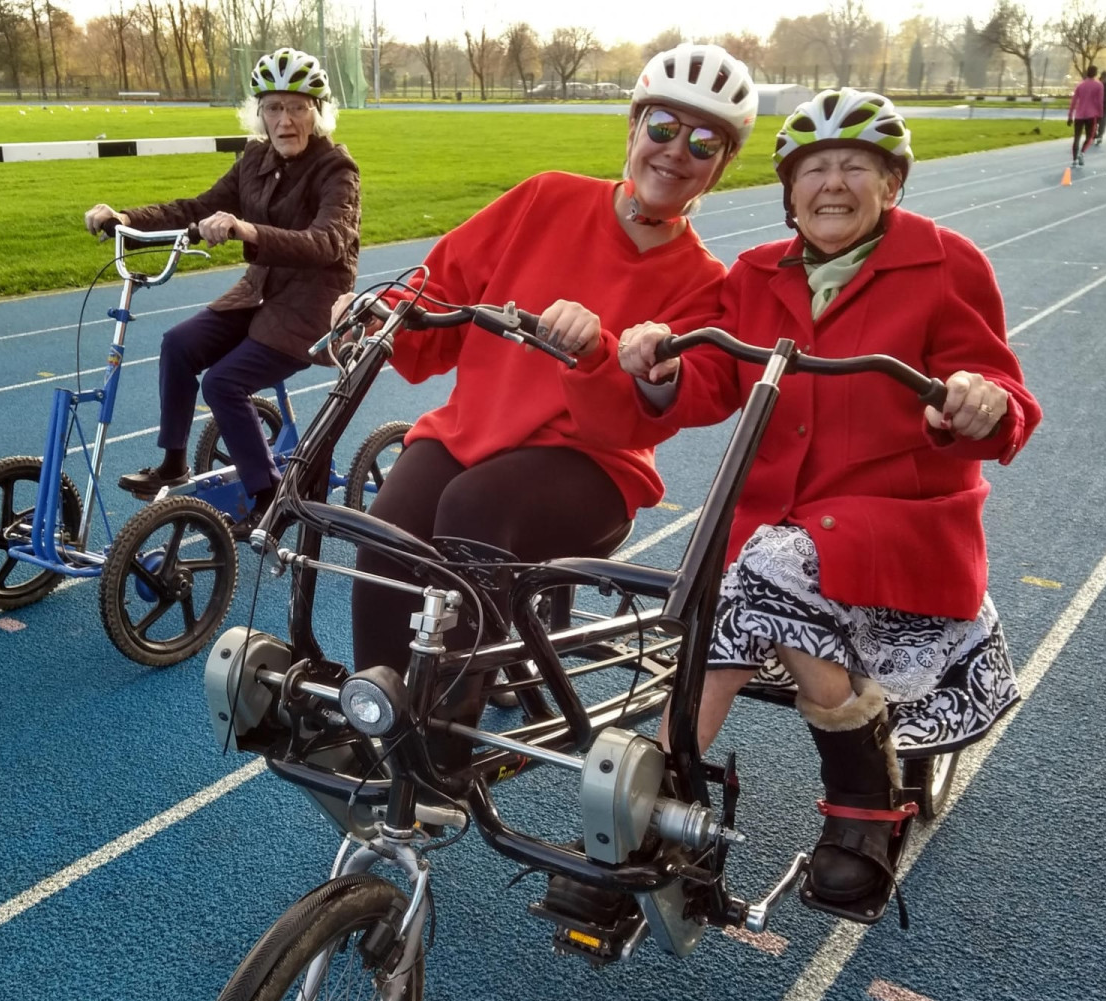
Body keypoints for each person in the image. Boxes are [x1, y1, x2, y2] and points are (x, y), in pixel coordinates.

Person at [578, 88, 1042, 914]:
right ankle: (661, 807)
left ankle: (838, 795)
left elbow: (1002, 395)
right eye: (814, 169)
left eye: (855, 166)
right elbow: (713, 378)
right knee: (743, 583)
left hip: (895, 523)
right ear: (789, 191)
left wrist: (979, 401)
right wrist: (662, 364)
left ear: (891, 184)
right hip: (777, 527)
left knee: (758, 566)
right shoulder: (758, 273)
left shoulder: (946, 262)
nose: (832, 183)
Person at [333, 44, 758, 749]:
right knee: (389, 526)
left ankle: (442, 747)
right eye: (663, 127)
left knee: (473, 509)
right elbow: (440, 291)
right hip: (474, 431)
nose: (676, 151)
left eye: (704, 142)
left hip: (592, 468)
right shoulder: (546, 198)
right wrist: (381, 316)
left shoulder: (703, 281)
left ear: (724, 162)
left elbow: (636, 423)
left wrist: (602, 355)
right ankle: (378, 713)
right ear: (633, 126)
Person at [83, 47, 361, 521]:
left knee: (223, 382)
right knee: (178, 344)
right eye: (274, 108)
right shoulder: (254, 159)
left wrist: (247, 230)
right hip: (258, 295)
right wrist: (126, 217)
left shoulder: (337, 169)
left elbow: (327, 242)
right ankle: (173, 464)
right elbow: (197, 208)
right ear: (259, 114)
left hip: (311, 310)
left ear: (318, 113)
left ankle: (270, 499)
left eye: (297, 107)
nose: (285, 121)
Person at [1068, 65, 1104, 166]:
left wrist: (1070, 116)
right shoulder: (1099, 85)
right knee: (1090, 136)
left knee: (1077, 137)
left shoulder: (1080, 85)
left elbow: (1074, 101)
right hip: (1091, 115)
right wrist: (1100, 114)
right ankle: (1082, 152)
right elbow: (1099, 102)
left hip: (1079, 115)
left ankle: (1074, 159)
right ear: (1095, 73)